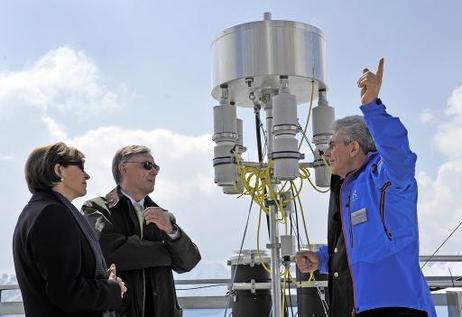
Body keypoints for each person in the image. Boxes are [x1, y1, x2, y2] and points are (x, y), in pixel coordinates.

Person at [295, 59, 436, 317]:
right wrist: (323, 259)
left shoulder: (385, 176)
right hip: (362, 307)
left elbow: (400, 154)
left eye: (332, 145)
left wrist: (371, 106)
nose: (326, 153)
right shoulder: (347, 189)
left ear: (353, 147)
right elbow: (360, 248)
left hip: (400, 305)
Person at [82, 145, 201, 317]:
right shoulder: (96, 208)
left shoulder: (164, 216)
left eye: (156, 167)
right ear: (124, 168)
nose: (154, 171)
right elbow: (109, 254)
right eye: (147, 165)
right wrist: (168, 252)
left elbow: (189, 261)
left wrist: (171, 230)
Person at [13, 142, 127, 317]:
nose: (87, 175)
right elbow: (67, 292)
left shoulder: (36, 211)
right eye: (80, 166)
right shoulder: (52, 214)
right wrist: (111, 288)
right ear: (59, 170)